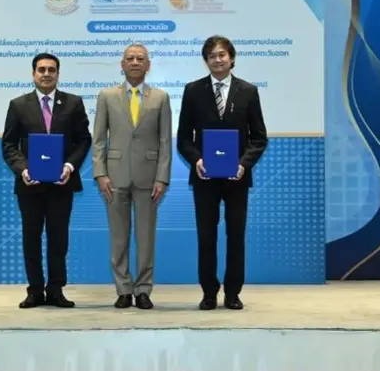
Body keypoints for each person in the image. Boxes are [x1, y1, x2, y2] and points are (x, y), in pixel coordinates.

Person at [176, 35, 268, 310]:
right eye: (212, 56)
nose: (217, 60)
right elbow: (184, 138)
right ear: (206, 61)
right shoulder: (193, 90)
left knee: (235, 236)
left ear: (231, 58)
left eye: (222, 55)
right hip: (205, 178)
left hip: (237, 178)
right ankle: (208, 292)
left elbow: (259, 138)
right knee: (206, 237)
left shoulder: (248, 91)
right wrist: (196, 160)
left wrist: (243, 164)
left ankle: (232, 292)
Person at [2, 52, 92, 309]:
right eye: (41, 69)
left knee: (58, 239)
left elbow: (83, 140)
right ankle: (35, 290)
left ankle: (55, 290)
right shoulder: (18, 105)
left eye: (51, 70)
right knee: (31, 238)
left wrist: (69, 166)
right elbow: (9, 144)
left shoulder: (73, 103)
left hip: (61, 184)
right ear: (33, 74)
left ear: (58, 74)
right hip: (29, 185)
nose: (46, 74)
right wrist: (23, 169)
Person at [92, 44, 172, 309]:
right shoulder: (106, 96)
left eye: (140, 58)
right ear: (122, 64)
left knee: (145, 238)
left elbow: (165, 141)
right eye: (130, 58)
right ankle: (124, 289)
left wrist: (162, 177)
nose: (135, 62)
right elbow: (99, 139)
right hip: (114, 178)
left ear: (148, 65)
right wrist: (100, 173)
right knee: (119, 237)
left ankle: (143, 290)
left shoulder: (161, 97)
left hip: (149, 178)